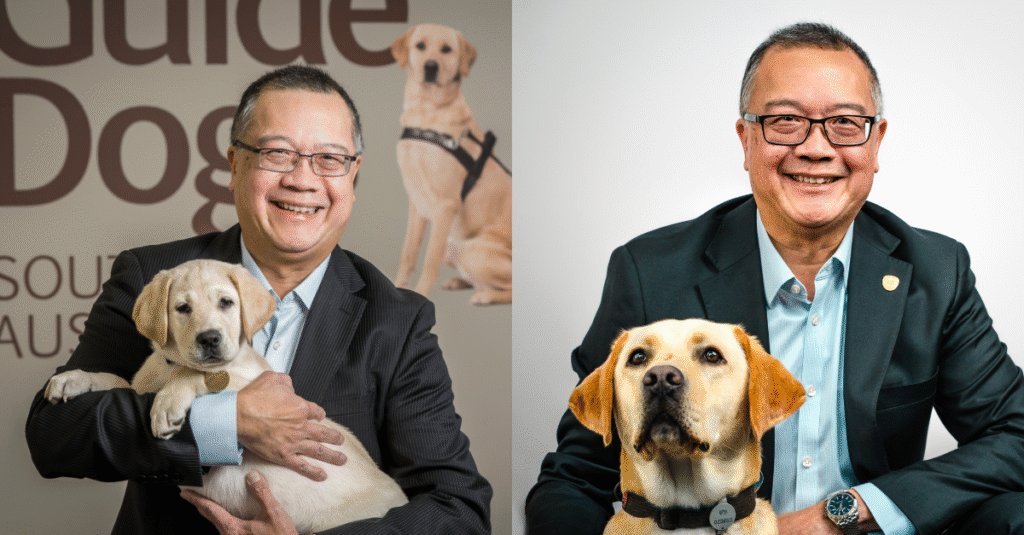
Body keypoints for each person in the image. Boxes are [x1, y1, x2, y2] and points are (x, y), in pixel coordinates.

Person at [525, 23, 1024, 535]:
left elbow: (1017, 433)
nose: (815, 148)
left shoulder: (935, 271)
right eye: (785, 121)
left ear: (876, 143)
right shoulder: (650, 272)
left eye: (846, 124)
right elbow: (578, 476)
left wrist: (846, 513)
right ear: (745, 140)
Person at [25, 65, 491, 535]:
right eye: (277, 154)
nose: (302, 180)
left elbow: (457, 510)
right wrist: (223, 422)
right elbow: (56, 436)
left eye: (329, 159)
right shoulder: (157, 279)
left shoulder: (396, 320)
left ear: (353, 175)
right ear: (234, 165)